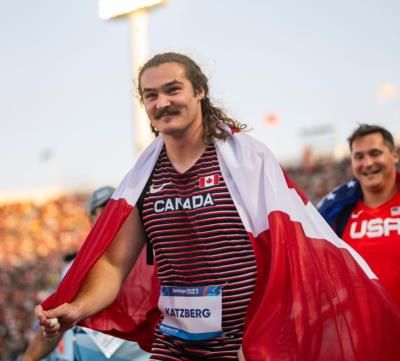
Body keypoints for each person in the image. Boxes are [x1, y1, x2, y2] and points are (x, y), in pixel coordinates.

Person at [35, 52, 400, 361]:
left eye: (172, 89)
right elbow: (115, 264)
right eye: (151, 95)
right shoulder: (143, 178)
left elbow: (284, 254)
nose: (162, 102)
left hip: (242, 345)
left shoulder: (246, 161)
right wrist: (79, 308)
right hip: (174, 343)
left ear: (199, 91)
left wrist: (261, 337)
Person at [22, 186, 149, 361]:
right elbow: (57, 321)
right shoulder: (74, 269)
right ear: (91, 219)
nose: (112, 215)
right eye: (104, 210)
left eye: (117, 208)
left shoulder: (154, 257)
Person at [318, 124, 400, 309]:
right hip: (365, 334)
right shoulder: (335, 213)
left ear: (394, 155)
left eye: (375, 153)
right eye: (359, 156)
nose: (368, 163)